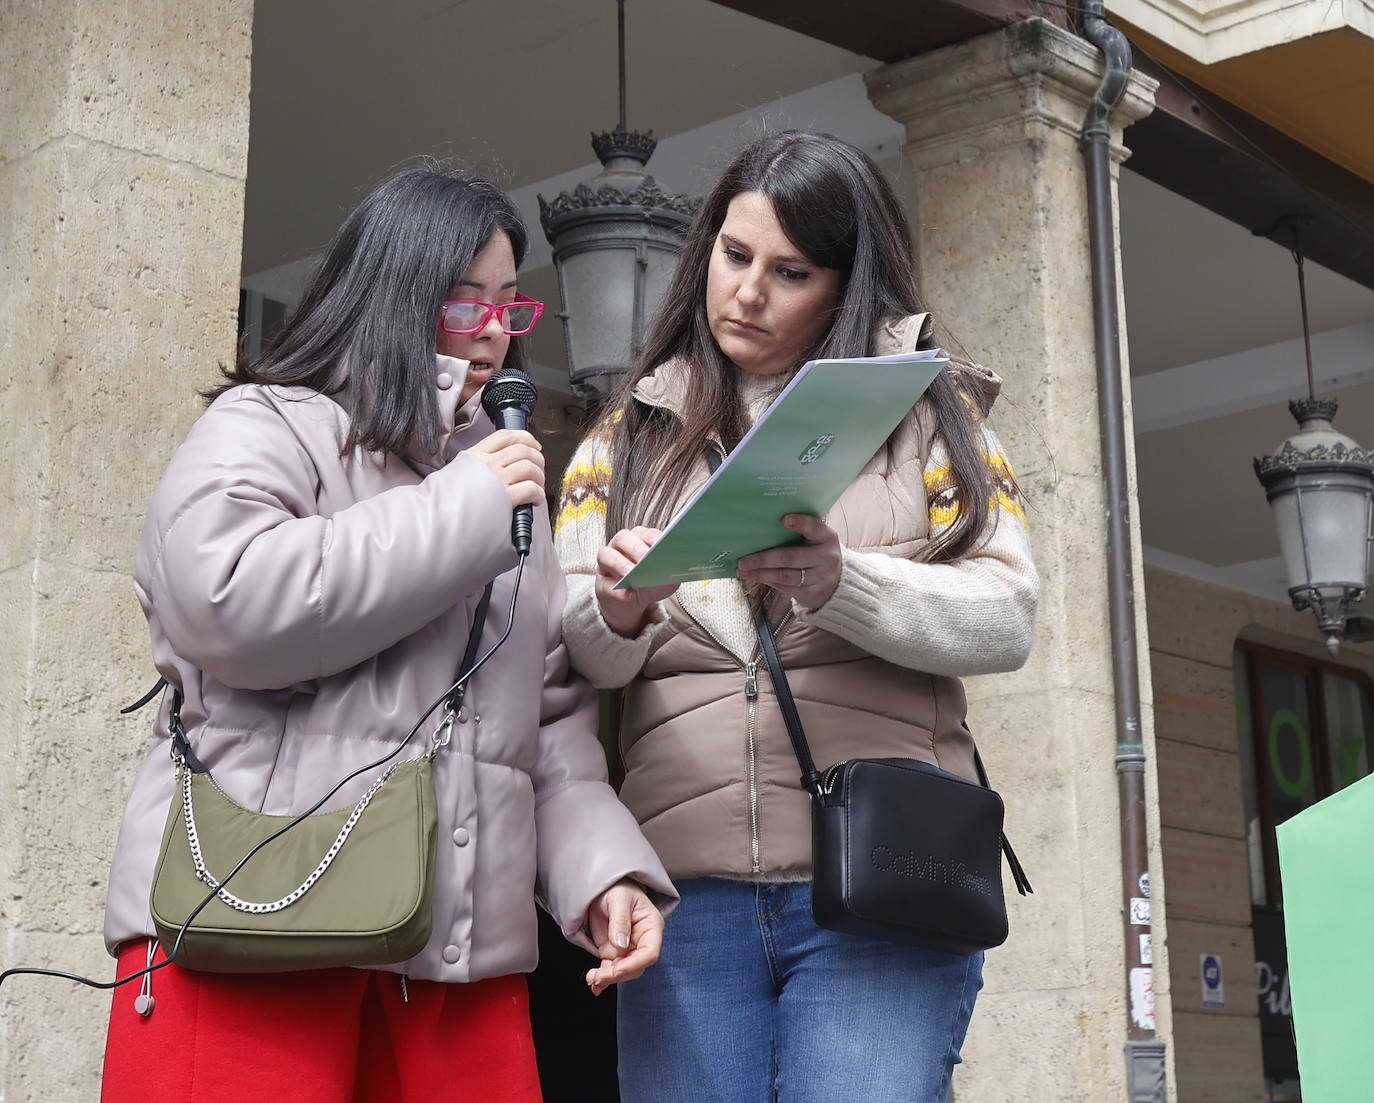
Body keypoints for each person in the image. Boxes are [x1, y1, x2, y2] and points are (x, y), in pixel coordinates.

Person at [100, 164, 676, 1103]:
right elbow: (222, 601)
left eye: (510, 309)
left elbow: (549, 734)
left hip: (450, 969)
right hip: (257, 931)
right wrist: (467, 505)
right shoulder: (272, 422)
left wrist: (604, 876)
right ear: (393, 297)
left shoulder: (501, 487)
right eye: (464, 306)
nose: (493, 333)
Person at [553, 130, 1039, 1102]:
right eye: (734, 257)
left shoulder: (934, 415)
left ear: (846, 283)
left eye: (791, 272)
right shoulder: (624, 433)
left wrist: (840, 581)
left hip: (879, 881)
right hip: (684, 893)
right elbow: (581, 657)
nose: (746, 293)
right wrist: (620, 608)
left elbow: (1008, 615)